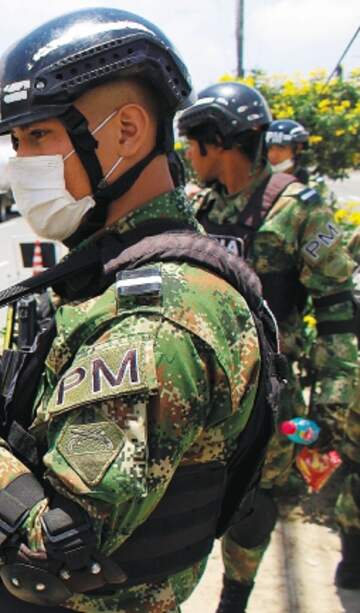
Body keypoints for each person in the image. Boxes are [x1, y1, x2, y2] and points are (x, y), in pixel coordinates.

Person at [0, 8, 279, 612]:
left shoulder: (154, 322)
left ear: (127, 131)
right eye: (15, 143)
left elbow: (53, 549)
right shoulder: (113, 272)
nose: (23, 164)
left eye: (39, 136)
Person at [178, 82, 359, 604]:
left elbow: (337, 311)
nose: (189, 155)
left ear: (221, 141)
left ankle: (234, 596)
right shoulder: (199, 209)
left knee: (255, 503)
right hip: (205, 384)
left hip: (270, 391)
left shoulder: (299, 210)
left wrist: (334, 398)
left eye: (193, 143)